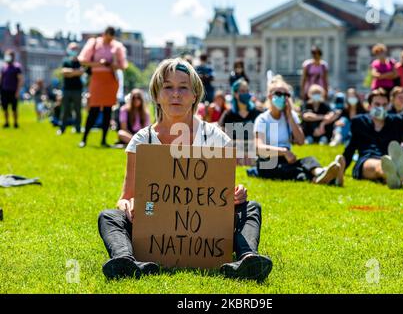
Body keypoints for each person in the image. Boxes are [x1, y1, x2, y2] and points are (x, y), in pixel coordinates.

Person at [97, 58, 273, 282]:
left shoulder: (216, 137)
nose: (175, 94)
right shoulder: (143, 140)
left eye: (183, 88)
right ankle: (125, 260)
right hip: (153, 225)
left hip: (207, 231)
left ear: (195, 95)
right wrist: (128, 205)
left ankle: (248, 259)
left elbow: (221, 195)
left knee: (251, 208)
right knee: (109, 217)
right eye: (168, 87)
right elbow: (125, 197)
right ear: (157, 95)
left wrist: (236, 194)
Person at [253, 75, 345, 186]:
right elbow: (259, 148)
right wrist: (283, 151)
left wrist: (290, 117)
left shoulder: (290, 116)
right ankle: (329, 175)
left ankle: (322, 174)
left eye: (286, 95)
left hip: (286, 159)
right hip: (268, 161)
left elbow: (300, 140)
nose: (282, 97)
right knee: (296, 169)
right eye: (278, 94)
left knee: (307, 162)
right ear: (269, 96)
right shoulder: (263, 119)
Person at [343, 88, 403, 189]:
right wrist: (342, 168)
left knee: (387, 162)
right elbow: (351, 148)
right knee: (380, 165)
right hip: (366, 159)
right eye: (377, 104)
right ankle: (395, 174)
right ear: (370, 106)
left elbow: (402, 143)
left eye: (384, 105)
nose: (381, 108)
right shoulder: (359, 122)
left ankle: (393, 175)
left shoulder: (396, 121)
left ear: (388, 106)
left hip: (389, 156)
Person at [78, 26, 128, 148]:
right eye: (107, 38)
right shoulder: (94, 43)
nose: (109, 40)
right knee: (93, 110)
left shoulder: (117, 46)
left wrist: (113, 65)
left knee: (107, 110)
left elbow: (123, 65)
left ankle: (104, 140)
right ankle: (84, 138)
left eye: (111, 38)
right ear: (104, 34)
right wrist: (98, 63)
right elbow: (83, 61)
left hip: (111, 79)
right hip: (97, 78)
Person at [219, 79, 262, 165]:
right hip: (235, 154)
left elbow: (262, 138)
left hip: (254, 152)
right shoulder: (228, 114)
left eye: (247, 91)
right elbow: (223, 138)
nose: (246, 93)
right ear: (235, 94)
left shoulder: (257, 113)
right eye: (242, 91)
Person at [58, 42, 84, 135]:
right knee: (65, 109)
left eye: (75, 49)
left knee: (77, 110)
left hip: (77, 89)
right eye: (72, 49)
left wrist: (70, 72)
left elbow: (81, 72)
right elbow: (64, 72)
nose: (74, 51)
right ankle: (62, 128)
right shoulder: (65, 61)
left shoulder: (80, 61)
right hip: (66, 89)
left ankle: (77, 128)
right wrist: (75, 72)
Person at [0, 49, 23, 128]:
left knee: (14, 108)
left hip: (13, 90)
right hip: (4, 91)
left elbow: (20, 80)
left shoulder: (17, 67)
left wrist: (17, 91)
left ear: (13, 57)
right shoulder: (4, 67)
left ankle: (15, 123)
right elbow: (1, 78)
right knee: (5, 108)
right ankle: (6, 122)